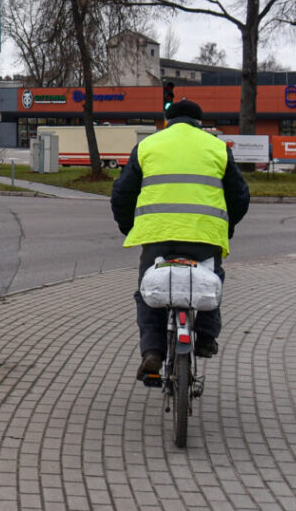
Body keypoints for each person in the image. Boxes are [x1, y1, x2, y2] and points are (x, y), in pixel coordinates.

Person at [110, 97, 250, 382]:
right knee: (212, 282)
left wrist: (131, 228)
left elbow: (122, 195)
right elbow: (239, 196)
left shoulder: (148, 146)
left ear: (167, 121)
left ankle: (153, 351)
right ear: (200, 123)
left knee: (148, 293)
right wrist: (226, 228)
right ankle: (207, 336)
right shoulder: (217, 147)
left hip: (157, 237)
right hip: (204, 237)